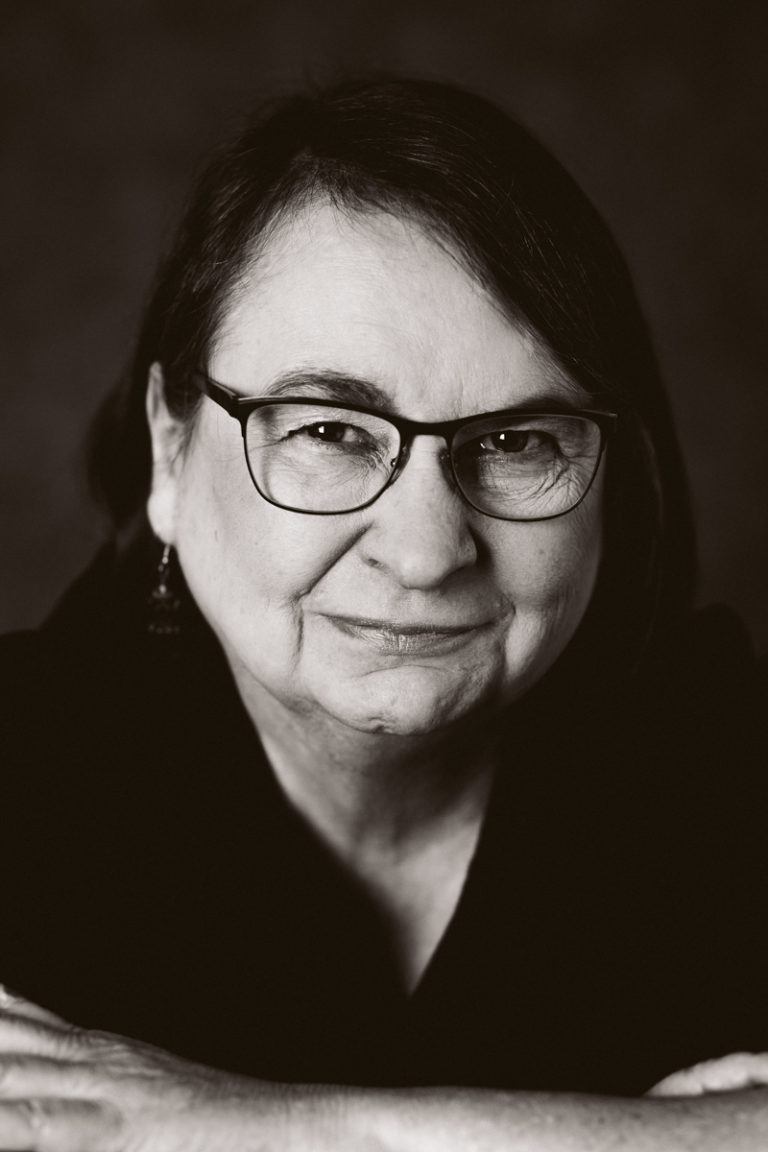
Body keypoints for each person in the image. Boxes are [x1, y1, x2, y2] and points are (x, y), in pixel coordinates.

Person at [1, 75, 766, 1150]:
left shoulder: (726, 756)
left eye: (515, 442)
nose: (423, 552)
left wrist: (254, 1128)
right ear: (171, 450)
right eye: (328, 431)